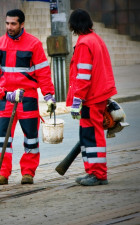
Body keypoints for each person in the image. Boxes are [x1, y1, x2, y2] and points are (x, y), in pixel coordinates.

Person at [0, 9, 56, 185]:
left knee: (30, 138)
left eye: (13, 24)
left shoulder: (34, 44)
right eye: (7, 23)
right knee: (3, 138)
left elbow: (43, 73)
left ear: (22, 24)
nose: (9, 27)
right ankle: (1, 173)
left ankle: (28, 173)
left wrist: (49, 96)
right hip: (6, 97)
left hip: (28, 98)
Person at [67, 9, 117, 186]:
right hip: (98, 94)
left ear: (74, 25)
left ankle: (97, 174)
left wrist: (77, 100)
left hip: (91, 97)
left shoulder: (84, 44)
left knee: (92, 135)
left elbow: (83, 76)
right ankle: (92, 171)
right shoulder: (95, 39)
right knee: (89, 134)